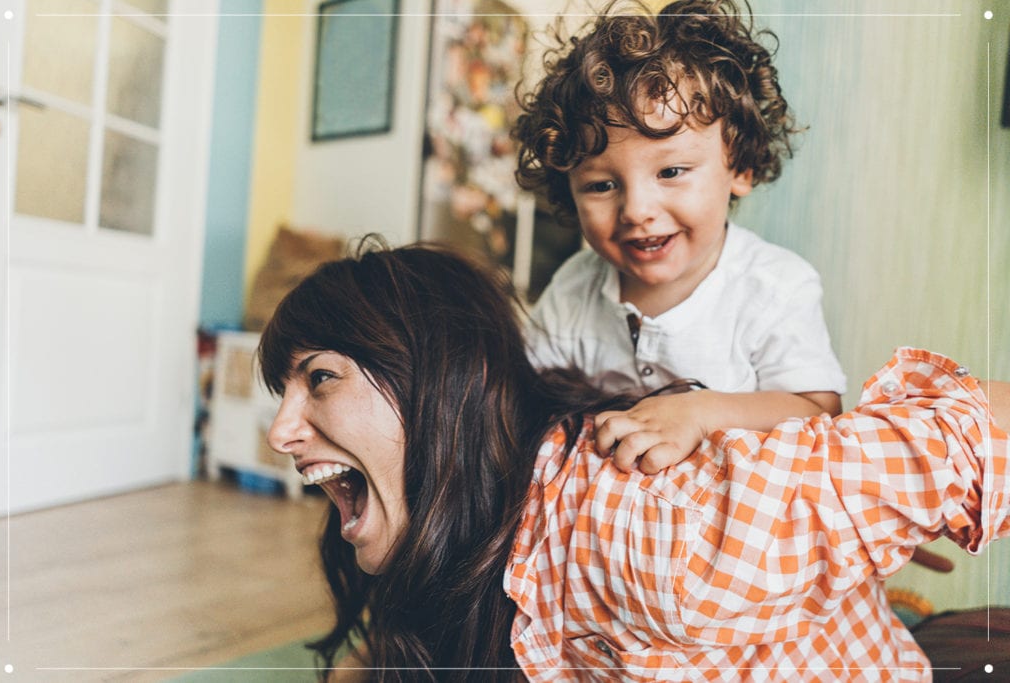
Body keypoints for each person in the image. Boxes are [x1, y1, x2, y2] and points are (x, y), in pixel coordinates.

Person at [260, 241, 1009, 682]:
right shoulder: (480, 519)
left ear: (441, 387)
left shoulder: (649, 524)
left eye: (319, 377)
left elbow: (975, 432)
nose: (280, 431)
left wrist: (869, 522)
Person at [513, 0, 846, 473]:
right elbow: (522, 398)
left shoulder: (775, 286)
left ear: (742, 166)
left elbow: (820, 413)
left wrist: (701, 412)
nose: (637, 211)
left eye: (671, 171)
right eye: (602, 185)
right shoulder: (574, 289)